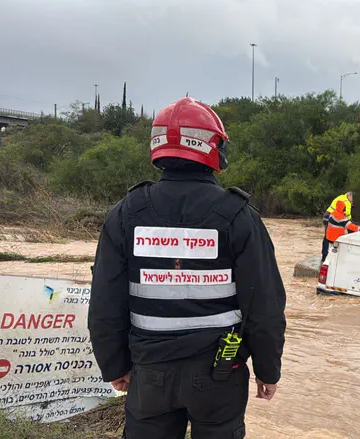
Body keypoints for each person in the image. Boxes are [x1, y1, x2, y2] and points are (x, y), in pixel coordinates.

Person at [88, 97, 286, 439]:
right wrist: (268, 369)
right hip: (220, 374)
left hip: (149, 371)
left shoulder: (127, 213)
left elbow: (106, 300)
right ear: (214, 147)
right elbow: (264, 304)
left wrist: (114, 364)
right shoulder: (238, 216)